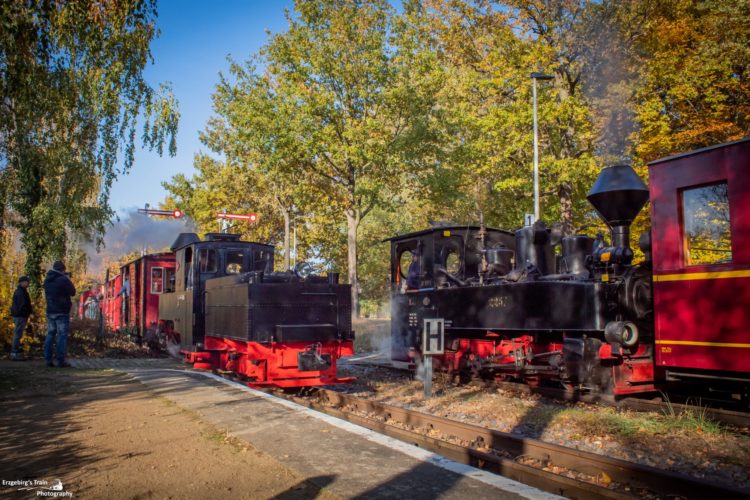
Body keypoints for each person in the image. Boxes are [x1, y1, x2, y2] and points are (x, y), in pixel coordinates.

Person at [43, 260, 76, 368]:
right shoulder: (63, 279)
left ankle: (48, 360)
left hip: (50, 311)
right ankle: (61, 361)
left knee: (50, 335)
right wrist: (67, 279)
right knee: (61, 336)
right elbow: (72, 292)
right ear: (63, 270)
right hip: (62, 311)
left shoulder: (47, 280)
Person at [9, 276, 32, 360]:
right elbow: (22, 305)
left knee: (18, 333)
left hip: (20, 315)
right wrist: (26, 313)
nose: (28, 283)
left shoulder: (21, 291)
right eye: (27, 282)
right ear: (22, 282)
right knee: (17, 334)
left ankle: (16, 351)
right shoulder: (20, 292)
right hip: (20, 316)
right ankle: (14, 353)